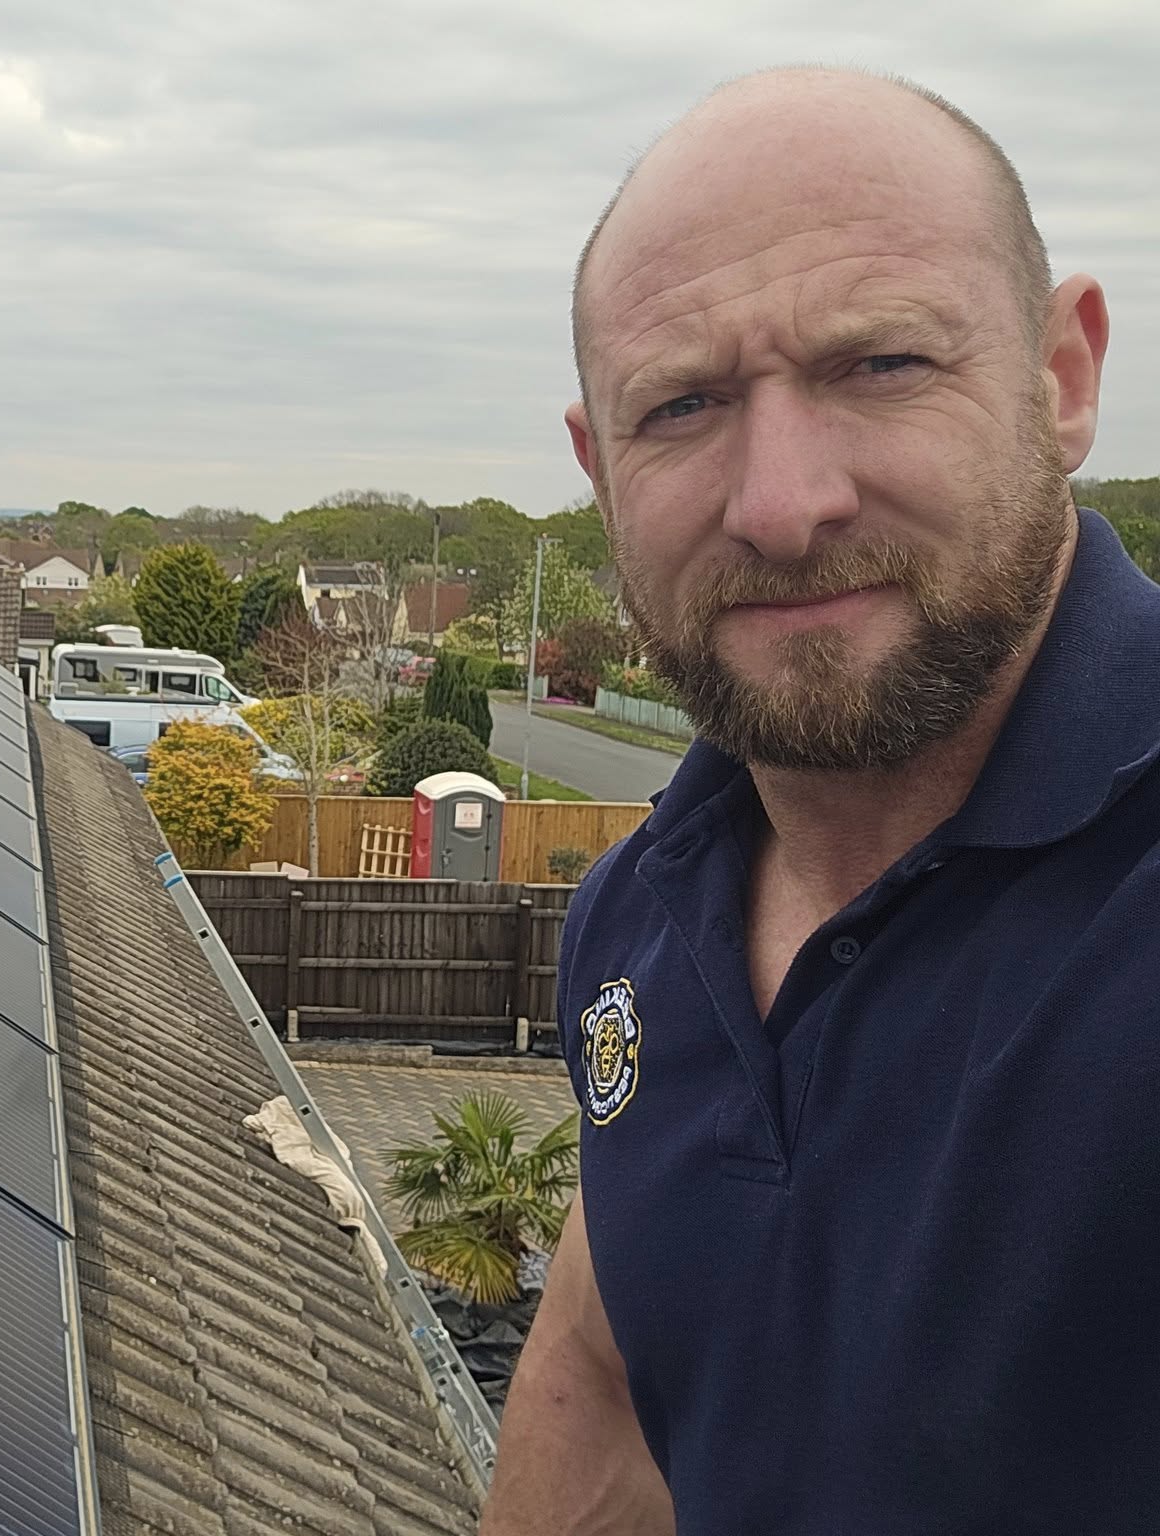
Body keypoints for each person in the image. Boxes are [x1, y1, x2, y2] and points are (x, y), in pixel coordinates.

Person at [486, 67, 1158, 1533]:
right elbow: (604, 1374)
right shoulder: (637, 916)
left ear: (1064, 378)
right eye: (683, 406)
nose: (781, 504)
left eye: (880, 366)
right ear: (601, 473)